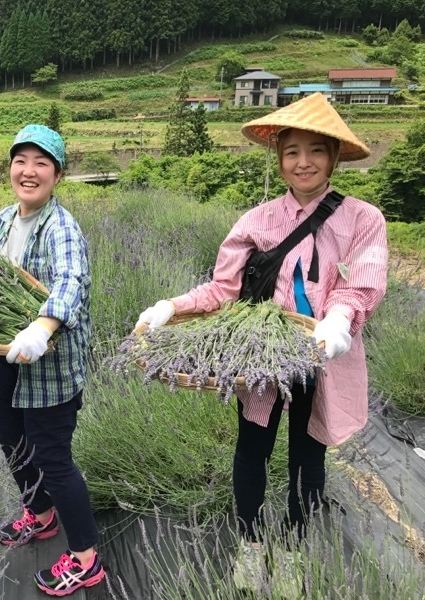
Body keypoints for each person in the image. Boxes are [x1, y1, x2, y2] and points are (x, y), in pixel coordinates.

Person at [135, 93, 388, 596]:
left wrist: (337, 321)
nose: (303, 162)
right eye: (292, 151)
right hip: (262, 360)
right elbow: (222, 290)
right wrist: (173, 306)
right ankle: (250, 549)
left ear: (334, 157)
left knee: (308, 458)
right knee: (252, 450)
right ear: (279, 157)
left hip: (324, 358)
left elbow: (359, 285)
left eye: (316, 151)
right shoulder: (257, 220)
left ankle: (293, 551)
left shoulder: (363, 218)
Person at [0, 124, 105, 596]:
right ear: (10, 167)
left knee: (53, 458)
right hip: (2, 355)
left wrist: (42, 325)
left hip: (47, 365)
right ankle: (42, 515)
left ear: (57, 174)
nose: (28, 172)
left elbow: (73, 281)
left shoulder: (61, 227)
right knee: (10, 441)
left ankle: (86, 558)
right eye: (20, 161)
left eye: (41, 163)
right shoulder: (2, 220)